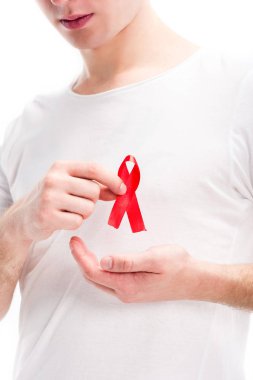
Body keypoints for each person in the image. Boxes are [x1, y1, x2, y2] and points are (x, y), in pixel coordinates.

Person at [0, 0, 253, 379]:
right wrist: (14, 230)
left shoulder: (238, 94)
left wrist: (200, 281)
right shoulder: (27, 128)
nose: (61, 3)